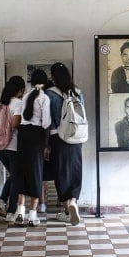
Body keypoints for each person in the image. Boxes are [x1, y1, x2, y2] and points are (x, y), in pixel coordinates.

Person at [46, 63, 83, 226]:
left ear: (53, 77)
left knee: (61, 173)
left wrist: (46, 144)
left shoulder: (49, 94)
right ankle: (74, 201)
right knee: (75, 170)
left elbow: (48, 122)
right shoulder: (77, 92)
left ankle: (68, 210)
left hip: (58, 138)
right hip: (76, 137)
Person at [12, 69, 51, 227]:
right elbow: (46, 123)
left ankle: (20, 211)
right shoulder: (44, 98)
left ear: (31, 82)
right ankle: (32, 215)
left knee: (22, 172)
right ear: (45, 82)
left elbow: (22, 118)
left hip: (23, 135)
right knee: (36, 172)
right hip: (36, 136)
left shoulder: (26, 96)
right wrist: (47, 143)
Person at [0, 76, 25, 219]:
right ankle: (11, 211)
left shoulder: (1, 103)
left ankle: (2, 200)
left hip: (0, 147)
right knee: (17, 177)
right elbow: (15, 123)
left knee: (14, 175)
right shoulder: (18, 103)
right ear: (21, 90)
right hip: (12, 146)